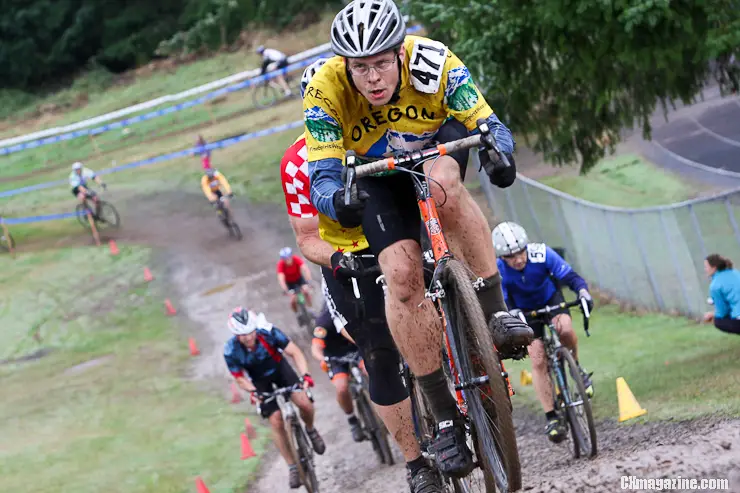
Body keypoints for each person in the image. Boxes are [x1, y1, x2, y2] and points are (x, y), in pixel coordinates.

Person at [305, 0, 534, 478]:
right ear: (344, 65)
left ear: (401, 54)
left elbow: (488, 125)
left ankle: (495, 313)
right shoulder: (324, 88)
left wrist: (500, 154)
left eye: (382, 63)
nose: (372, 78)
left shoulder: (434, 60)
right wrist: (336, 203)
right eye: (360, 68)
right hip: (373, 175)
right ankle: (444, 419)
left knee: (444, 186)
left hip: (435, 148)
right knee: (403, 277)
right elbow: (322, 178)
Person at [278, 57, 447, 493]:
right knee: (381, 356)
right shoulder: (298, 162)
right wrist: (336, 260)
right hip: (349, 258)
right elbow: (305, 237)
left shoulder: (387, 126)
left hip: (403, 233)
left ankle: (468, 373)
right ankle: (416, 464)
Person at [491, 221, 595, 443]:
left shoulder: (542, 253)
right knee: (537, 358)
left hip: (550, 300)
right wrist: (511, 314)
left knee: (565, 328)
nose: (518, 259)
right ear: (502, 257)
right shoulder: (498, 269)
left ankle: (578, 369)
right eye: (510, 256)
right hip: (524, 312)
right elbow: (501, 301)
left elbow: (572, 278)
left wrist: (583, 292)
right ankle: (552, 417)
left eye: (520, 252)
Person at [224, 307, 325, 489]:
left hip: (280, 369)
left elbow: (295, 352)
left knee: (304, 403)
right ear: (235, 335)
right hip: (259, 380)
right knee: (276, 421)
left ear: (255, 328)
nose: (247, 338)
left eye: (250, 332)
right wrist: (253, 391)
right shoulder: (231, 350)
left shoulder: (268, 332)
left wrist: (305, 375)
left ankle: (310, 430)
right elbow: (239, 378)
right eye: (242, 335)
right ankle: (292, 466)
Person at [310, 304, 365, 442]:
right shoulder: (324, 320)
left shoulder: (353, 307)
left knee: (371, 371)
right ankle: (352, 419)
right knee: (341, 387)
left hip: (357, 350)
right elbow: (316, 347)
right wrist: (323, 359)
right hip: (336, 357)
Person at [703, 253, 740, 335]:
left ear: (714, 268)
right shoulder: (735, 272)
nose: (705, 269)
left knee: (718, 321)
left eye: (706, 267)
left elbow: (722, 312)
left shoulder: (715, 285)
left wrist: (712, 314)